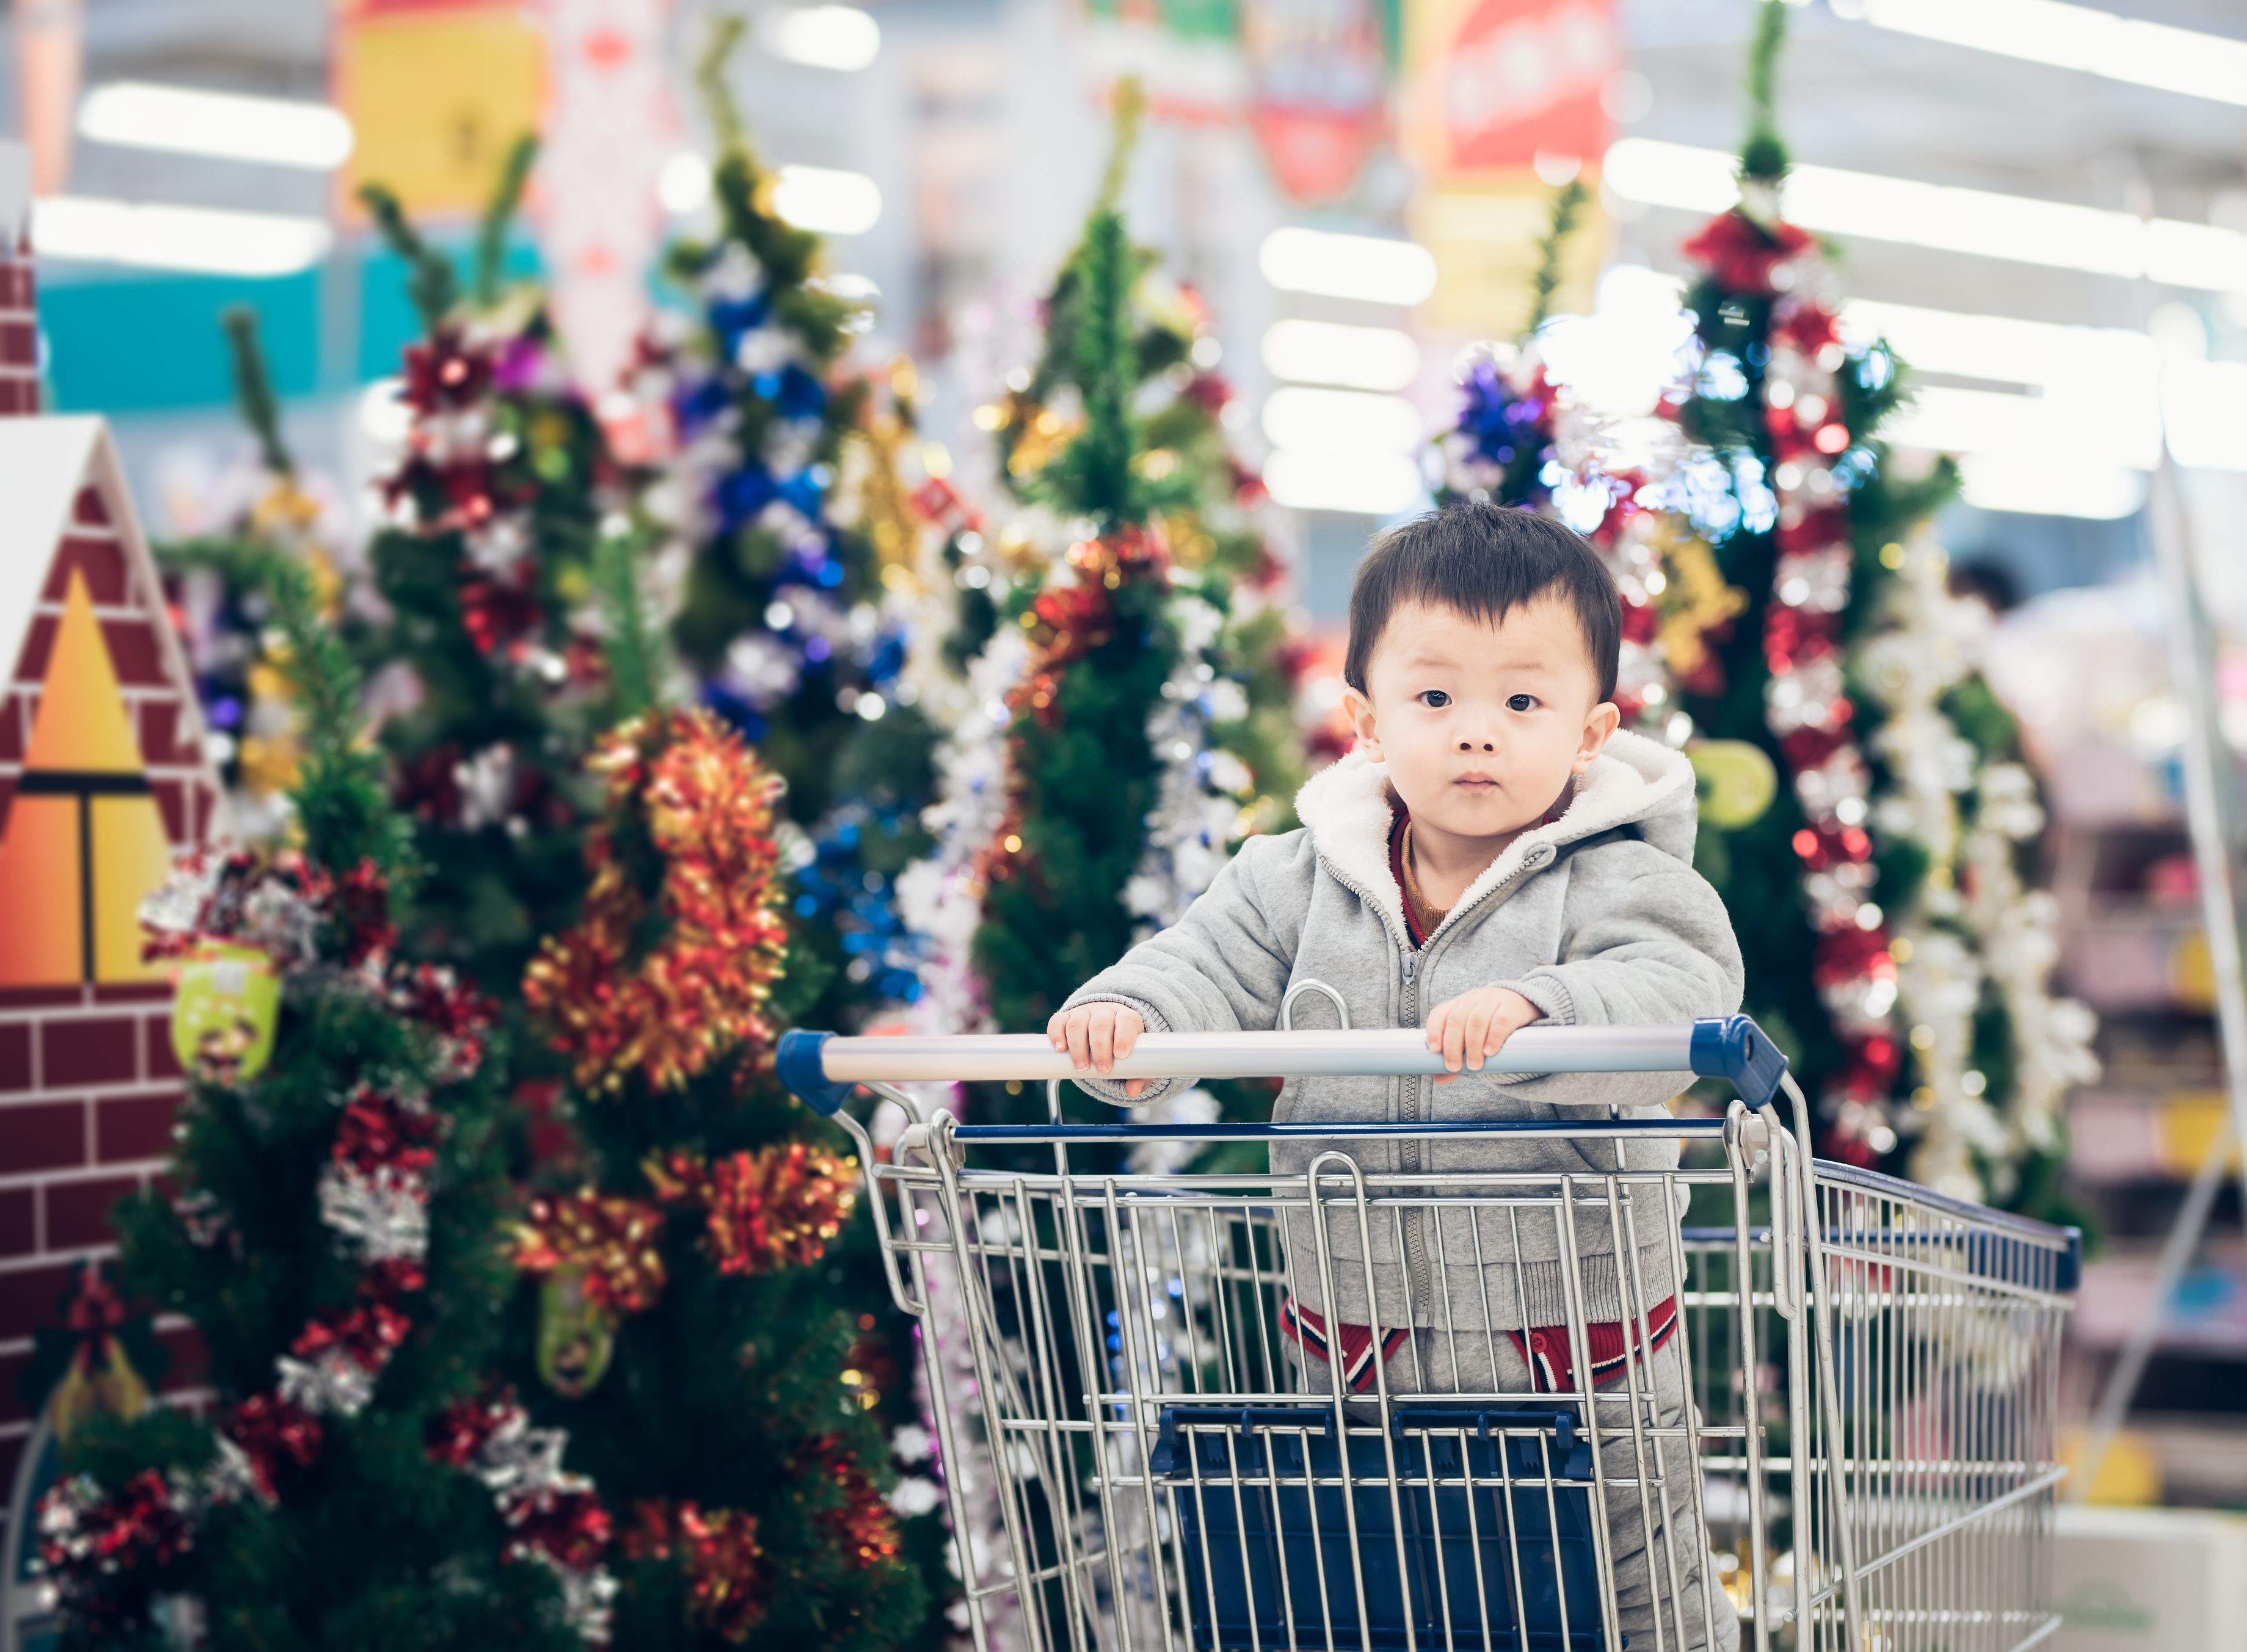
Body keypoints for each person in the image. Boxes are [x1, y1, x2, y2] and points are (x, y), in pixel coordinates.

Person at [1050, 499, 1744, 1651]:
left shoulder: (1622, 883)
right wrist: (1130, 1019)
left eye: (1523, 701)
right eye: (1436, 698)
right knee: (1385, 1594)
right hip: (1359, 1343)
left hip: (1582, 1340)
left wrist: (1545, 1005)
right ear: (1368, 720)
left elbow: (1687, 985)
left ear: (1591, 730)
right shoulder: (1293, 879)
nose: (1478, 733)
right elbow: (1201, 960)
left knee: (1639, 1595)